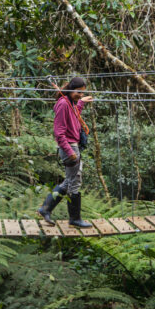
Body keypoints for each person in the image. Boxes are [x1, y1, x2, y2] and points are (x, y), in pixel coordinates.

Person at [37, 76, 94, 228]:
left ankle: (45, 209)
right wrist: (70, 152)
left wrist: (81, 102)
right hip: (69, 146)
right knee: (74, 182)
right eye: (78, 93)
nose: (80, 95)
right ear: (70, 89)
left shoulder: (70, 102)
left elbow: (74, 115)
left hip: (72, 146)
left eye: (82, 93)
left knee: (69, 182)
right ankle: (74, 219)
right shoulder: (63, 104)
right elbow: (59, 133)